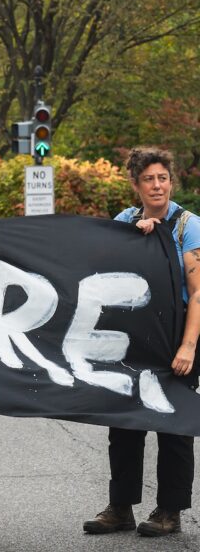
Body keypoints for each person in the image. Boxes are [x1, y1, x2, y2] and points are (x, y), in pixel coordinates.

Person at [83, 148, 198, 537]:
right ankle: (120, 507)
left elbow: (197, 293)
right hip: (133, 336)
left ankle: (170, 510)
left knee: (173, 424)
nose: (157, 185)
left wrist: (188, 347)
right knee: (124, 421)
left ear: (171, 181)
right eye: (148, 179)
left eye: (162, 178)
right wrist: (136, 239)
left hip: (176, 337)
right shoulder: (124, 221)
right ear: (135, 184)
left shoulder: (188, 226)